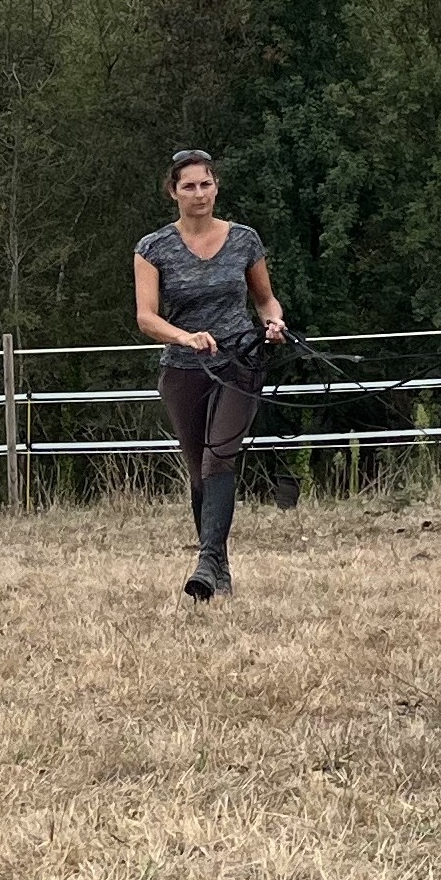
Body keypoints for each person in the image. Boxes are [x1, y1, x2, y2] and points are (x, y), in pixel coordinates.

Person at [134, 149, 288, 601]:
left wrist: (273, 322)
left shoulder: (244, 240)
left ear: (216, 186)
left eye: (205, 184)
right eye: (189, 186)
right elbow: (146, 317)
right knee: (199, 473)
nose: (198, 193)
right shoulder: (153, 248)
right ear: (173, 192)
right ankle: (218, 568)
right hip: (185, 369)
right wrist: (184, 337)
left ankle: (204, 563)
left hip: (240, 360)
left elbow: (265, 299)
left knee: (220, 454)